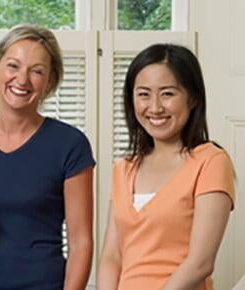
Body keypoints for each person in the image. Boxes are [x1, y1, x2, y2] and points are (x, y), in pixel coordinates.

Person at [0, 24, 95, 290]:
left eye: (37, 71)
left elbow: (81, 241)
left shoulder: (70, 144)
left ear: (49, 81)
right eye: (13, 66)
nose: (22, 80)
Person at [97, 44, 235, 290]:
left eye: (168, 93)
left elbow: (200, 263)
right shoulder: (123, 168)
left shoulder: (211, 162)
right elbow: (111, 256)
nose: (155, 107)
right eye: (143, 94)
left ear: (192, 98)